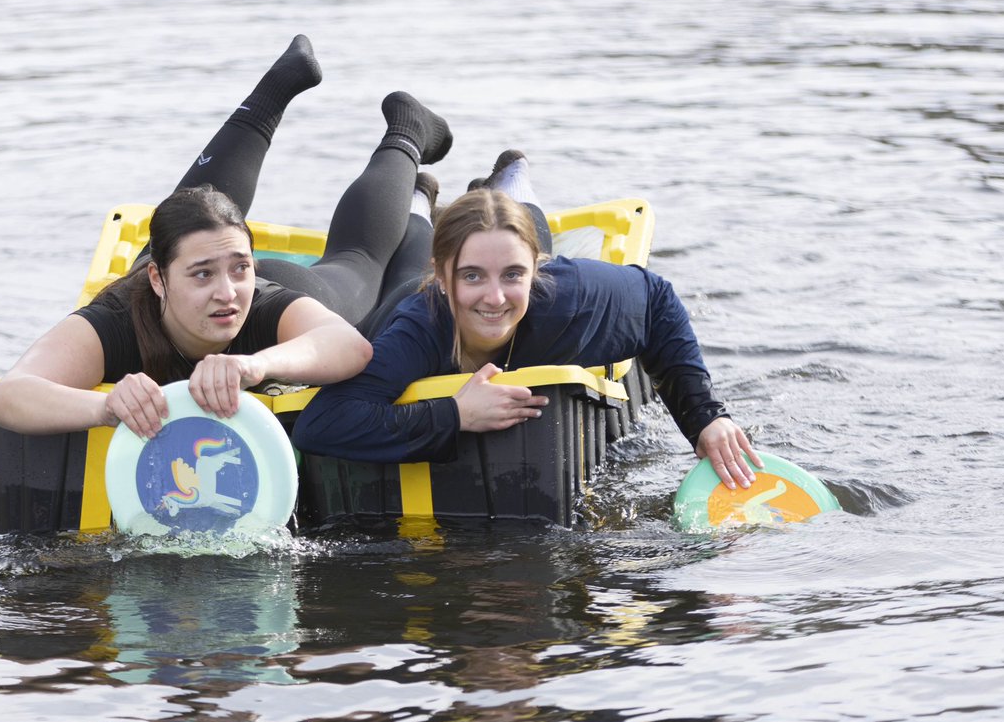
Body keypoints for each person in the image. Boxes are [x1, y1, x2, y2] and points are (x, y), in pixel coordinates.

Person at [0, 35, 451, 440]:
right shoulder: (117, 321)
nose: (226, 293)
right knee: (191, 222)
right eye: (204, 275)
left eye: (239, 268)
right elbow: (6, 397)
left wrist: (257, 365)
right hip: (157, 287)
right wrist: (104, 407)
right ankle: (275, 92)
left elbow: (351, 347)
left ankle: (407, 129)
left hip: (292, 294)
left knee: (360, 261)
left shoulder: (259, 303)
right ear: (158, 279)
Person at [292, 152, 763, 491]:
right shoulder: (419, 326)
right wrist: (455, 414)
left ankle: (511, 176)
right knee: (404, 263)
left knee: (506, 234)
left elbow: (656, 298)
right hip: (411, 293)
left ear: (535, 272)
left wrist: (705, 418)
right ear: (444, 276)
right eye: (471, 276)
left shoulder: (568, 301)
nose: (495, 298)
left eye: (513, 275)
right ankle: (421, 196)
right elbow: (321, 424)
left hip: (529, 268)